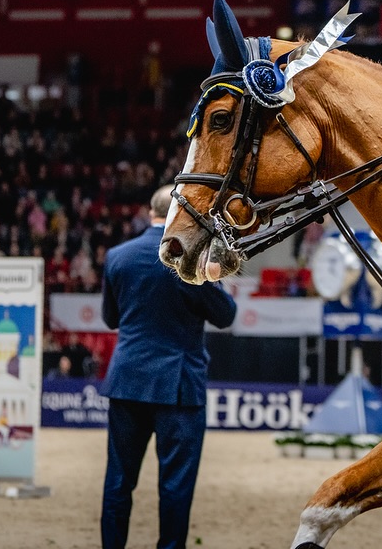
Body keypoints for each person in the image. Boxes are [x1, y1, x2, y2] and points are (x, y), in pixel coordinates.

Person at [100, 185, 237, 549]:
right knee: (175, 485)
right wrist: (215, 273)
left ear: (150, 213)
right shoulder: (187, 259)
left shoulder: (117, 256)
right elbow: (226, 316)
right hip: (178, 385)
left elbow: (110, 318)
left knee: (118, 480)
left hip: (127, 379)